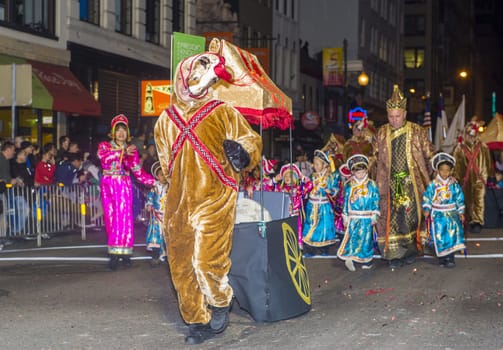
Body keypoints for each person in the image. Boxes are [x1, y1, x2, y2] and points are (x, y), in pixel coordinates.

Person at [154, 51, 262, 345]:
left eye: (209, 79)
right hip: (178, 203)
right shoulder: (164, 120)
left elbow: (251, 139)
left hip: (216, 197)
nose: (203, 85)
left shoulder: (223, 111)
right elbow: (166, 164)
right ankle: (196, 321)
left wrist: (243, 154)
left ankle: (219, 301)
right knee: (181, 266)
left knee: (206, 262)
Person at [373, 85, 434, 269]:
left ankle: (410, 250)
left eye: (397, 116)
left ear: (405, 113)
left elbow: (429, 154)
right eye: (390, 116)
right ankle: (394, 254)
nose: (394, 120)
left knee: (411, 219)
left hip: (412, 183)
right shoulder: (381, 132)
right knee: (392, 218)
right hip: (390, 184)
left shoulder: (417, 131)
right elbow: (374, 159)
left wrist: (439, 171)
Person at [97, 114, 155, 271]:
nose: (121, 133)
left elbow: (137, 171)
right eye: (118, 130)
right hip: (108, 185)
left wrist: (154, 182)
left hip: (123, 185)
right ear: (113, 132)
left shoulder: (132, 150)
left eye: (124, 130)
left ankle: (119, 255)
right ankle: (118, 251)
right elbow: (105, 159)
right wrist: (123, 151)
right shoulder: (104, 146)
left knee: (123, 219)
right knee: (110, 220)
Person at [337, 154, 380, 271]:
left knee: (366, 239)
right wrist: (345, 217)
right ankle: (350, 258)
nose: (360, 174)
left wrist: (375, 215)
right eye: (357, 172)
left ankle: (367, 260)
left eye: (362, 171)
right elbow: (346, 201)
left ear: (366, 170)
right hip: (354, 217)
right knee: (353, 238)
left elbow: (376, 200)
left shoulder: (372, 184)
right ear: (353, 173)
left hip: (367, 217)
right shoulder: (349, 185)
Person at [422, 153, 466, 268]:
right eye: (442, 170)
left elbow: (459, 198)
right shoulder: (433, 185)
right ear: (437, 170)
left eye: (447, 170)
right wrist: (427, 208)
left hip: (452, 215)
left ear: (451, 171)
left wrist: (460, 212)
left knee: (451, 236)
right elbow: (427, 197)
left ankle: (450, 258)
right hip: (438, 215)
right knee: (439, 236)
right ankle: (442, 258)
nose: (445, 173)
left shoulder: (454, 184)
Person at [452, 119, 493, 233]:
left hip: (480, 178)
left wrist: (491, 175)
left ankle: (477, 221)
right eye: (469, 135)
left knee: (478, 200)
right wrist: (455, 177)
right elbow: (456, 165)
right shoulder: (459, 148)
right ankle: (468, 220)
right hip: (465, 179)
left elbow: (488, 162)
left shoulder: (483, 147)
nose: (471, 137)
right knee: (467, 200)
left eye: (473, 135)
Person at [302, 149, 339, 256]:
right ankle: (310, 248)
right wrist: (310, 189)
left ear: (324, 165)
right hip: (312, 205)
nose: (315, 166)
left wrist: (329, 190)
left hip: (324, 205)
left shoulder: (330, 178)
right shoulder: (312, 177)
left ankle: (324, 248)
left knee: (324, 227)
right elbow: (305, 190)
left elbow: (335, 190)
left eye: (318, 164)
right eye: (315, 163)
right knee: (310, 226)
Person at [274, 163, 312, 248]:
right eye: (286, 176)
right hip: (284, 214)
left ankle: (298, 243)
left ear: (295, 177)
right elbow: (269, 190)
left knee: (297, 228)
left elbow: (310, 185)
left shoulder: (298, 188)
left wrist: (303, 177)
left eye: (290, 176)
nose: (287, 178)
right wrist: (274, 180)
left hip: (295, 214)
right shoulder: (281, 188)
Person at [145, 161, 167, 267]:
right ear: (157, 177)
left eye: (165, 174)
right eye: (161, 175)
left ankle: (167, 257)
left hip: (167, 216)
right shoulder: (154, 188)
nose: (163, 177)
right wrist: (149, 204)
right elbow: (149, 197)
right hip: (156, 217)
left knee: (167, 237)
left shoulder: (170, 187)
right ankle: (155, 257)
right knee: (156, 237)